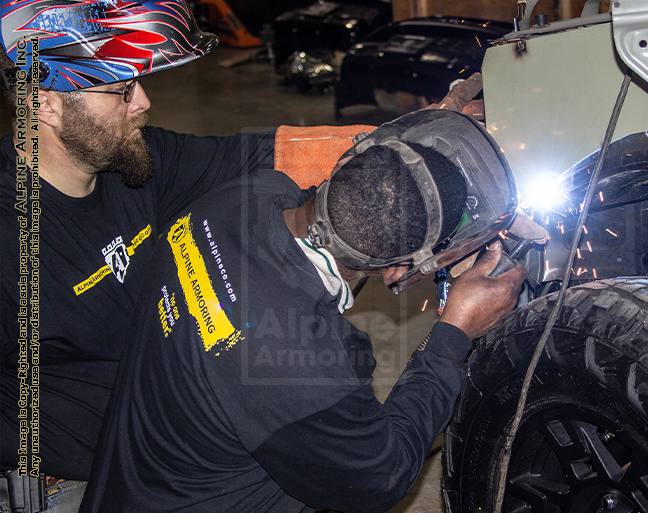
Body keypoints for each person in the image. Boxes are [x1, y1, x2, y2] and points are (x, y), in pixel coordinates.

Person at [0, 0, 377, 510]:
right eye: (121, 89)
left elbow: (258, 154)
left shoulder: (129, 162)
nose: (143, 102)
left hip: (175, 443)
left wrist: (410, 141)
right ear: (45, 102)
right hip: (75, 483)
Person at [79, 108, 526, 513]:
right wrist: (454, 331)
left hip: (133, 486)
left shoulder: (244, 197)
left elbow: (362, 207)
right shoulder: (297, 366)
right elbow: (380, 475)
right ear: (395, 274)